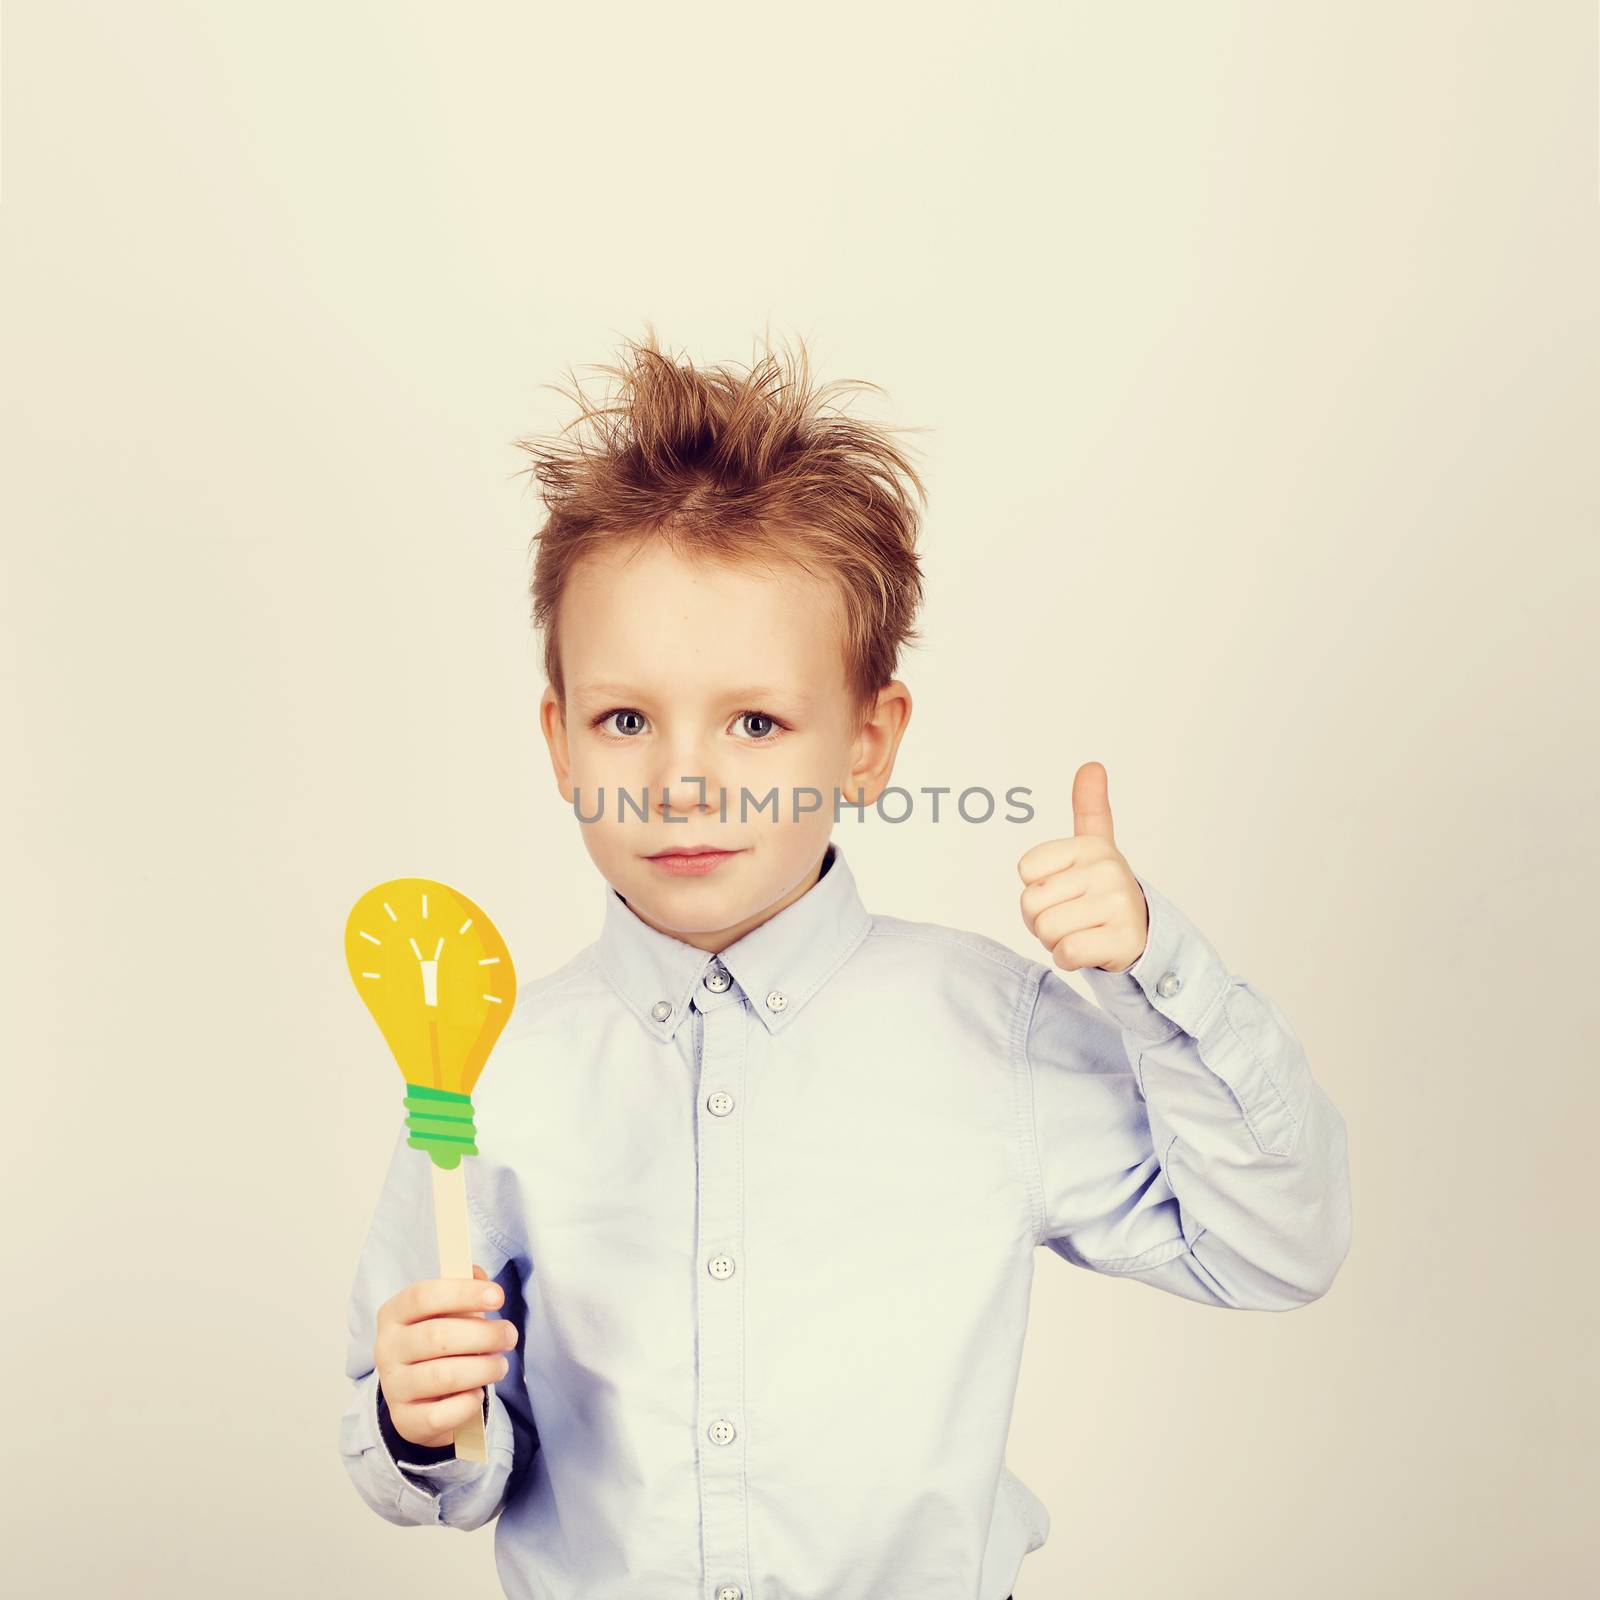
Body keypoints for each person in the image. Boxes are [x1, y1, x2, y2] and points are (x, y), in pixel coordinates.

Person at [337, 329, 1353, 1600]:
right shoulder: (487, 1065)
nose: (682, 778)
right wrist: (420, 1418)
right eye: (624, 718)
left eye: (755, 720)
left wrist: (1157, 969)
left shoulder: (996, 1031)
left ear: (868, 743)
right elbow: (439, 1461)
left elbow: (1276, 1244)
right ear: (559, 741)